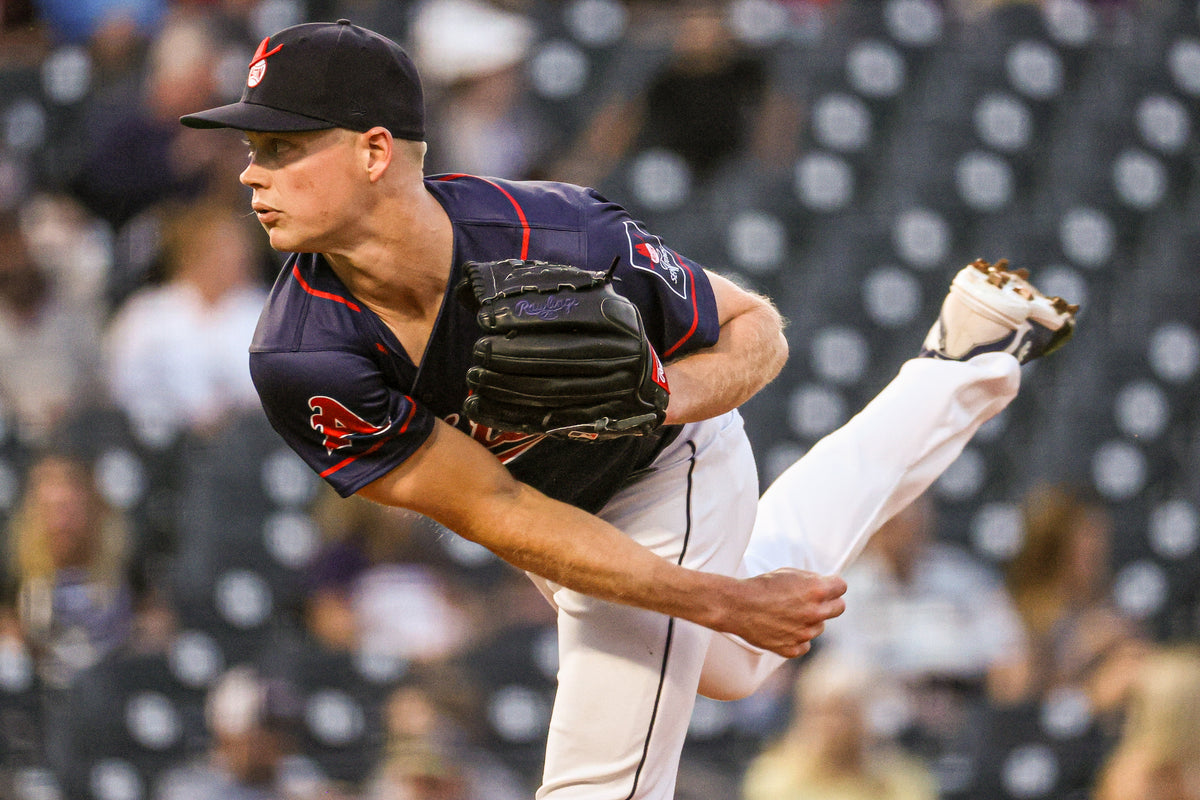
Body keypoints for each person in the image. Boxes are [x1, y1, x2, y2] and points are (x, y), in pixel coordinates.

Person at [179, 19, 1074, 799]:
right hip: (547, 509)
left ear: (376, 152)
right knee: (731, 663)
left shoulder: (555, 233)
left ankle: (960, 364)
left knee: (598, 783)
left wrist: (655, 397)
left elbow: (758, 329)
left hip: (664, 466)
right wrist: (722, 601)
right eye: (255, 150)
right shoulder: (300, 355)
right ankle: (962, 362)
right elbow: (496, 509)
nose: (253, 174)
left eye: (283, 148)